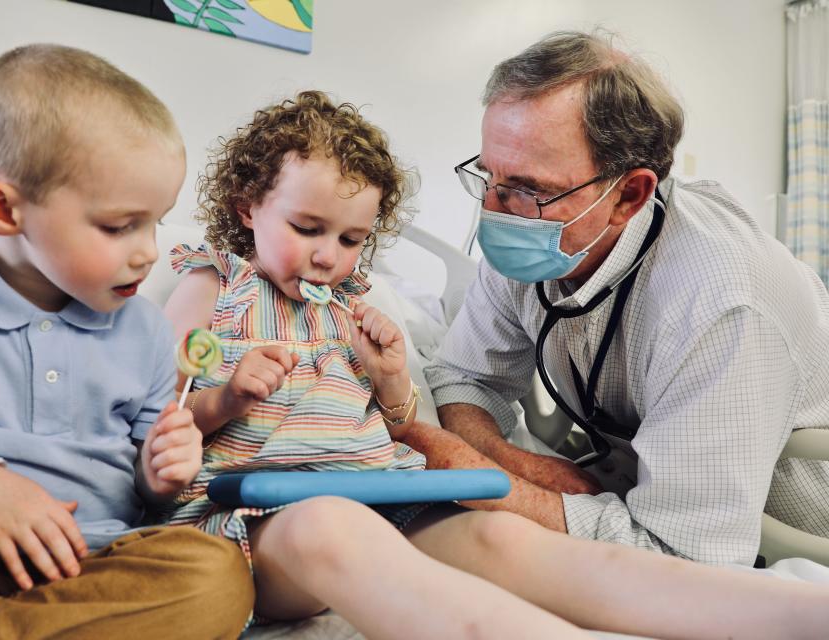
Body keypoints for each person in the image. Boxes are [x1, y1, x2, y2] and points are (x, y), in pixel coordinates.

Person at [161, 89, 829, 639]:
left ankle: (796, 612)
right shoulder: (217, 289)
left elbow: (396, 420)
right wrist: (228, 400)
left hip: (381, 497)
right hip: (262, 521)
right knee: (330, 527)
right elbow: (157, 419)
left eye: (351, 240)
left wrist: (391, 374)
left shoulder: (348, 307)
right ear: (248, 207)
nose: (328, 257)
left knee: (503, 540)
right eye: (308, 230)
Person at [0, 44, 253, 640]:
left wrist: (162, 471)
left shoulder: (146, 332)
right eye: (118, 225)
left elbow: (145, 491)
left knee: (218, 574)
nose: (149, 251)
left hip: (85, 568)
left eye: (155, 221)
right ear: (1, 209)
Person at [424, 28, 829, 567]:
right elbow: (465, 377)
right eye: (488, 176)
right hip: (654, 492)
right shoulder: (536, 241)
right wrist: (501, 460)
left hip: (792, 531)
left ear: (629, 195)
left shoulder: (722, 300)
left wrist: (488, 484)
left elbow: (682, 556)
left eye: (526, 188)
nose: (495, 210)